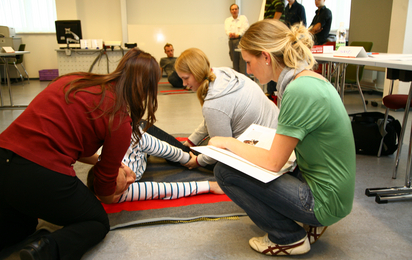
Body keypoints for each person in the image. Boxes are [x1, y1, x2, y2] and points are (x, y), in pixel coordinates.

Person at [209, 19, 356, 256]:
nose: (247, 70)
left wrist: (229, 142)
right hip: (333, 190)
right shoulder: (307, 79)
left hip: (324, 201)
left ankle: (288, 238)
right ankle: (309, 224)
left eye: (249, 62)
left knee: (224, 172)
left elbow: (272, 162)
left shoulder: (298, 91)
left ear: (266, 57)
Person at [0, 48, 160, 260]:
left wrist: (100, 160)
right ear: (148, 89)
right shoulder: (119, 119)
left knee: (22, 225)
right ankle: (46, 250)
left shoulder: (76, 80)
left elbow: (66, 139)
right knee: (97, 221)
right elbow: (104, 191)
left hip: (4, 159)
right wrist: (119, 186)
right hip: (39, 172)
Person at [174, 48, 279, 170]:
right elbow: (216, 118)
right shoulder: (222, 73)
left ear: (196, 72)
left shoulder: (213, 104)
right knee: (204, 144)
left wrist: (197, 161)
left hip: (265, 149)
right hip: (276, 131)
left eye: (185, 78)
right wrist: (192, 141)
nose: (184, 84)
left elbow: (219, 151)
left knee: (220, 169)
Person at [86, 123, 224, 204]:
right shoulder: (115, 191)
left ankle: (227, 161)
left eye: (126, 174)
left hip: (139, 129)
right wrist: (209, 186)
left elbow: (165, 149)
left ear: (120, 165)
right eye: (126, 186)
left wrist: (189, 160)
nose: (132, 180)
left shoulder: (129, 138)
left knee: (185, 156)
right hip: (141, 152)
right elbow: (163, 190)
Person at [224, 4, 249, 75]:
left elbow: (245, 28)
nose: (234, 11)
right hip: (232, 41)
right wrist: (230, 34)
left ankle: (243, 77)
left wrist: (238, 34)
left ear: (238, 10)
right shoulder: (228, 20)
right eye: (232, 9)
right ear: (230, 11)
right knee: (234, 60)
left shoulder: (243, 18)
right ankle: (236, 77)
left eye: (236, 9)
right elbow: (227, 30)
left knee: (243, 60)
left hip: (242, 40)